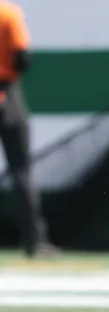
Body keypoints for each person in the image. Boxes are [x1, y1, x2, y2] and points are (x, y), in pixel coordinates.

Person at [0, 0, 57, 257]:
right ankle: (34, 241)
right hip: (7, 95)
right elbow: (22, 58)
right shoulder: (8, 13)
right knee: (21, 170)